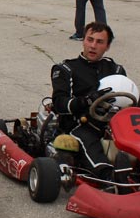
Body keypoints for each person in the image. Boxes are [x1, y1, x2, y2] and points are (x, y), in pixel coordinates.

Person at [51, 22, 127, 177]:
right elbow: (59, 104)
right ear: (83, 41)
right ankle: (107, 175)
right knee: (86, 137)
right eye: (90, 40)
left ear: (107, 46)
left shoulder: (116, 70)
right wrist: (86, 101)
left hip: (113, 123)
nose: (93, 46)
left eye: (99, 42)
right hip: (80, 124)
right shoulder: (65, 69)